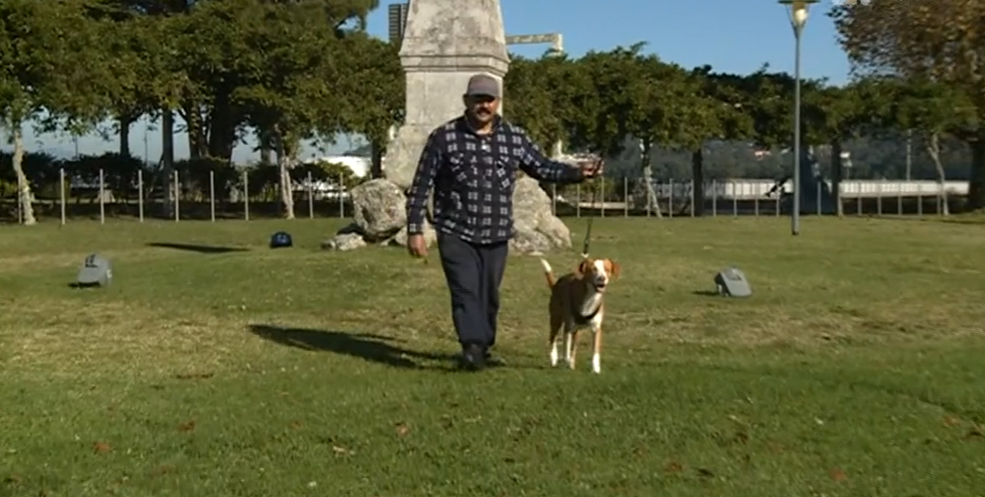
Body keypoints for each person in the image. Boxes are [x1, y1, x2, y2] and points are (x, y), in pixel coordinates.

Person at [404, 72, 603, 371]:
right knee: (465, 291)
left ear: (497, 102)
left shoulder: (514, 137)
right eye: (477, 99)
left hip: (496, 232)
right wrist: (415, 229)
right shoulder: (444, 137)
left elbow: (542, 167)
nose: (483, 105)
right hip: (455, 230)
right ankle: (471, 348)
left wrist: (577, 172)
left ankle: (482, 345)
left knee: (489, 295)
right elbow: (421, 184)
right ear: (466, 101)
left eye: (489, 100)